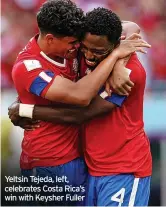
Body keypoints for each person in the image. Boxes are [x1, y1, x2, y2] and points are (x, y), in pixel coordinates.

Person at [9, 2, 151, 206]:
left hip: (123, 167)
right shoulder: (71, 55)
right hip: (54, 164)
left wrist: (25, 109)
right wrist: (116, 57)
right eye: (81, 46)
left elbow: (83, 110)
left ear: (114, 44)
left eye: (98, 51)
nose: (88, 54)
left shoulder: (126, 73)